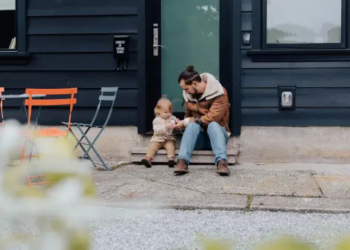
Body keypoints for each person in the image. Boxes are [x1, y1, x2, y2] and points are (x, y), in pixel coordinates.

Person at [174, 65, 231, 176]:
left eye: (186, 89)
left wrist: (186, 121)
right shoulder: (189, 96)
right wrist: (180, 123)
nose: (185, 92)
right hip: (198, 140)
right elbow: (188, 118)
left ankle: (222, 162)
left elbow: (212, 118)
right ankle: (182, 161)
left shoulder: (220, 92)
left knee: (213, 124)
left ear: (194, 83)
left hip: (217, 138)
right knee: (191, 125)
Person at [141, 97, 177, 168]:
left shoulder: (172, 118)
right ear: (158, 111)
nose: (168, 114)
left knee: (171, 147)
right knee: (152, 147)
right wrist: (166, 126)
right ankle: (148, 159)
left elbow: (176, 122)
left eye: (170, 112)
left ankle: (171, 159)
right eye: (166, 112)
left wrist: (177, 123)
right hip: (158, 139)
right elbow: (157, 130)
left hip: (169, 139)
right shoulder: (156, 120)